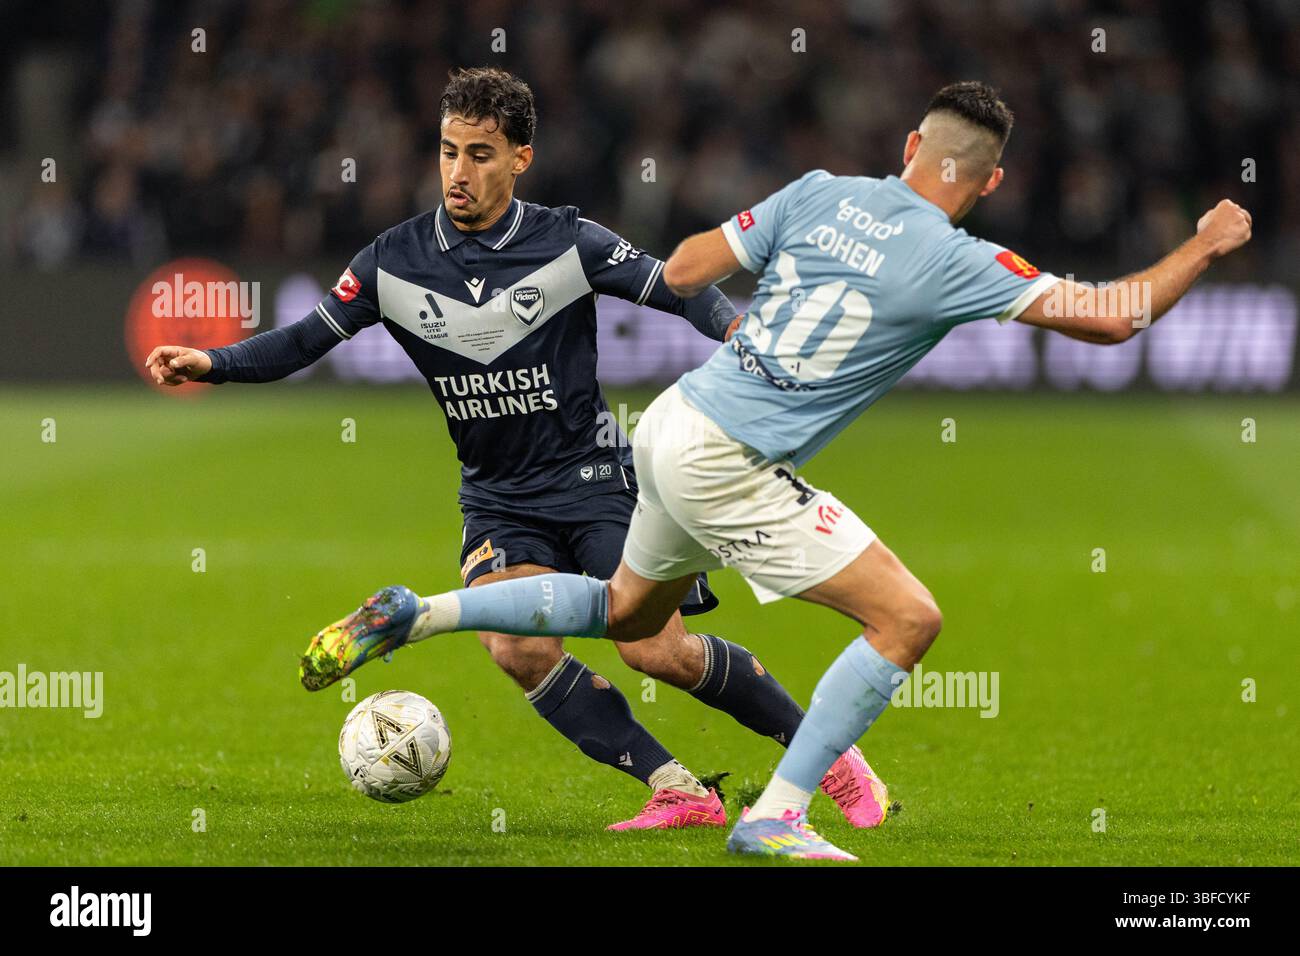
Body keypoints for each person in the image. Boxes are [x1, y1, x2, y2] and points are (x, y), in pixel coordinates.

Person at [146, 67, 889, 834]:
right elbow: (304, 340)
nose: (457, 172)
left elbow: (677, 285)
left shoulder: (567, 241)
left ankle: (826, 754)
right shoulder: (392, 262)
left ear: (520, 159)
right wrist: (216, 363)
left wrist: (733, 331)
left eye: (479, 153)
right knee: (517, 649)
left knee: (654, 650)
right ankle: (678, 788)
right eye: (446, 151)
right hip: (498, 494)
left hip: (599, 480)